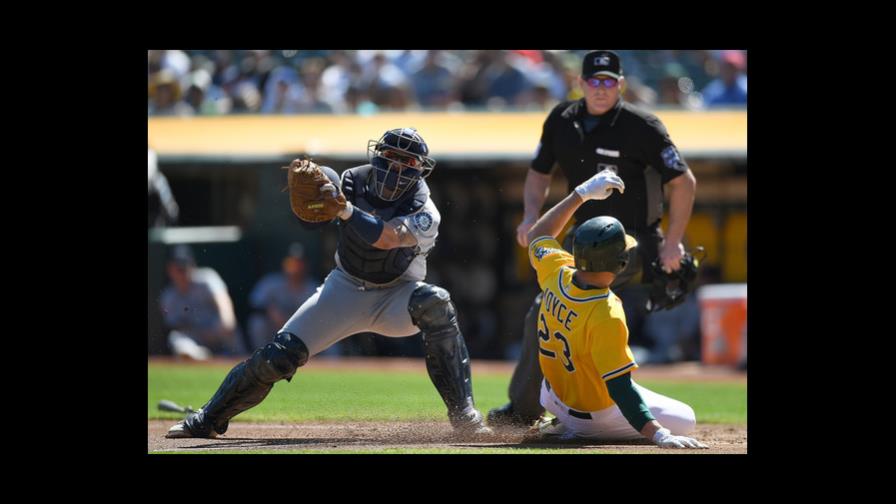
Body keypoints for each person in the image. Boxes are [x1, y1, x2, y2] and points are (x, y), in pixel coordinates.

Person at [167, 128, 492, 438]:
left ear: (420, 170)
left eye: (406, 162)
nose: (396, 166)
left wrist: (346, 211)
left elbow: (389, 238)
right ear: (377, 155)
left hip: (397, 292)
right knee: (277, 356)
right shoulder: (351, 180)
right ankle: (207, 418)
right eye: (391, 155)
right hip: (346, 287)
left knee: (435, 303)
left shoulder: (424, 209)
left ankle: (464, 415)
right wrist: (313, 206)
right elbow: (309, 225)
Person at [489, 50, 697, 427]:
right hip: (581, 237)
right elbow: (538, 173)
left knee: (563, 305)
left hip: (633, 240)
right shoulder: (561, 119)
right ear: (580, 84)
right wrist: (531, 216)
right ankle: (535, 407)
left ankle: (556, 408)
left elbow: (684, 182)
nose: (601, 89)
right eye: (594, 81)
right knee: (549, 308)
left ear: (620, 85)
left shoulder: (643, 125)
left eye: (609, 82)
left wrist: (673, 242)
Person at [521, 172, 707, 448]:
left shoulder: (556, 269)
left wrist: (580, 193)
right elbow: (620, 389)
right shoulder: (606, 311)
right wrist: (659, 434)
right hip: (592, 416)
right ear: (621, 264)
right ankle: (578, 430)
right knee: (686, 418)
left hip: (551, 396)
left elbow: (537, 234)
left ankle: (561, 422)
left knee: (621, 383)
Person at [159, 245, 242, 360]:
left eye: (185, 266)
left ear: (192, 264)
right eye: (178, 268)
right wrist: (201, 333)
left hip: (217, 332)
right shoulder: (168, 296)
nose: (183, 272)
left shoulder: (206, 278)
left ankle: (235, 355)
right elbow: (175, 326)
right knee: (176, 338)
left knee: (226, 323)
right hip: (197, 337)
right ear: (170, 270)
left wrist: (225, 321)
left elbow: (224, 302)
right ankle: (201, 356)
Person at [246, 243, 319, 351]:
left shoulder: (313, 287)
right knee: (257, 323)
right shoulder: (271, 282)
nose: (295, 268)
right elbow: (253, 305)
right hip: (275, 329)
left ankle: (332, 362)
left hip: (303, 332)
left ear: (305, 265)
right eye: (291, 263)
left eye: (298, 264)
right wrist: (269, 311)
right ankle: (259, 355)